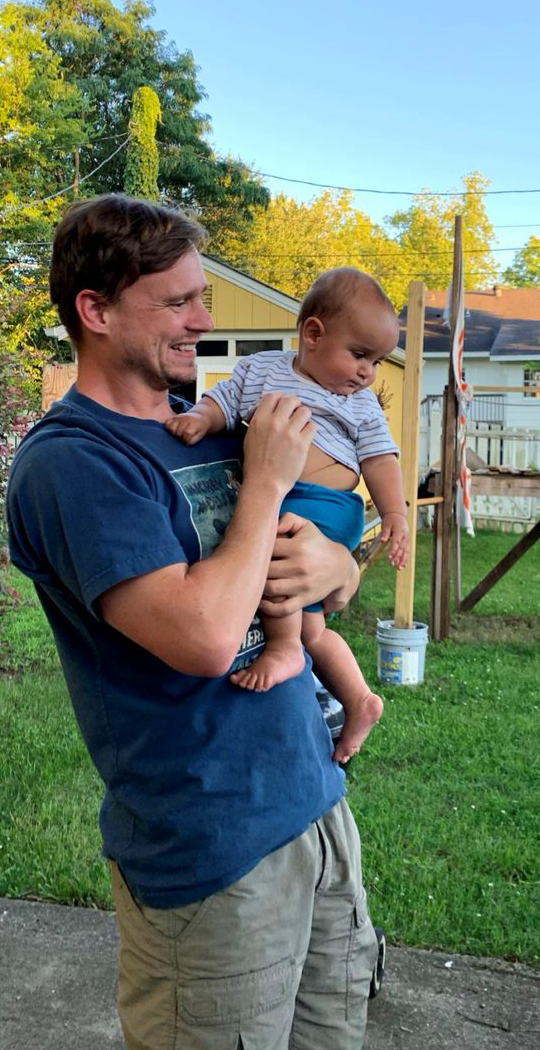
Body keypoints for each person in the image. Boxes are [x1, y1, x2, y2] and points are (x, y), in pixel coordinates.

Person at [6, 193, 379, 1050]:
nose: (204, 322)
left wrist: (338, 567)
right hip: (210, 850)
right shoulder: (72, 463)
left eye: (201, 296)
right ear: (93, 311)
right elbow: (208, 637)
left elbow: (308, 559)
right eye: (177, 302)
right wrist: (265, 484)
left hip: (315, 809)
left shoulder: (207, 429)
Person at [167, 266, 408, 763]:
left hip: (323, 504)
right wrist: (199, 418)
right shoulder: (262, 370)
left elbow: (381, 459)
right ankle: (359, 698)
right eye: (360, 355)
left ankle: (282, 649)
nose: (368, 373)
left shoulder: (360, 404)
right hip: (282, 494)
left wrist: (395, 514)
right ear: (314, 335)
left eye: (377, 361)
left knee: (274, 561)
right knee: (315, 626)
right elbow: (225, 401)